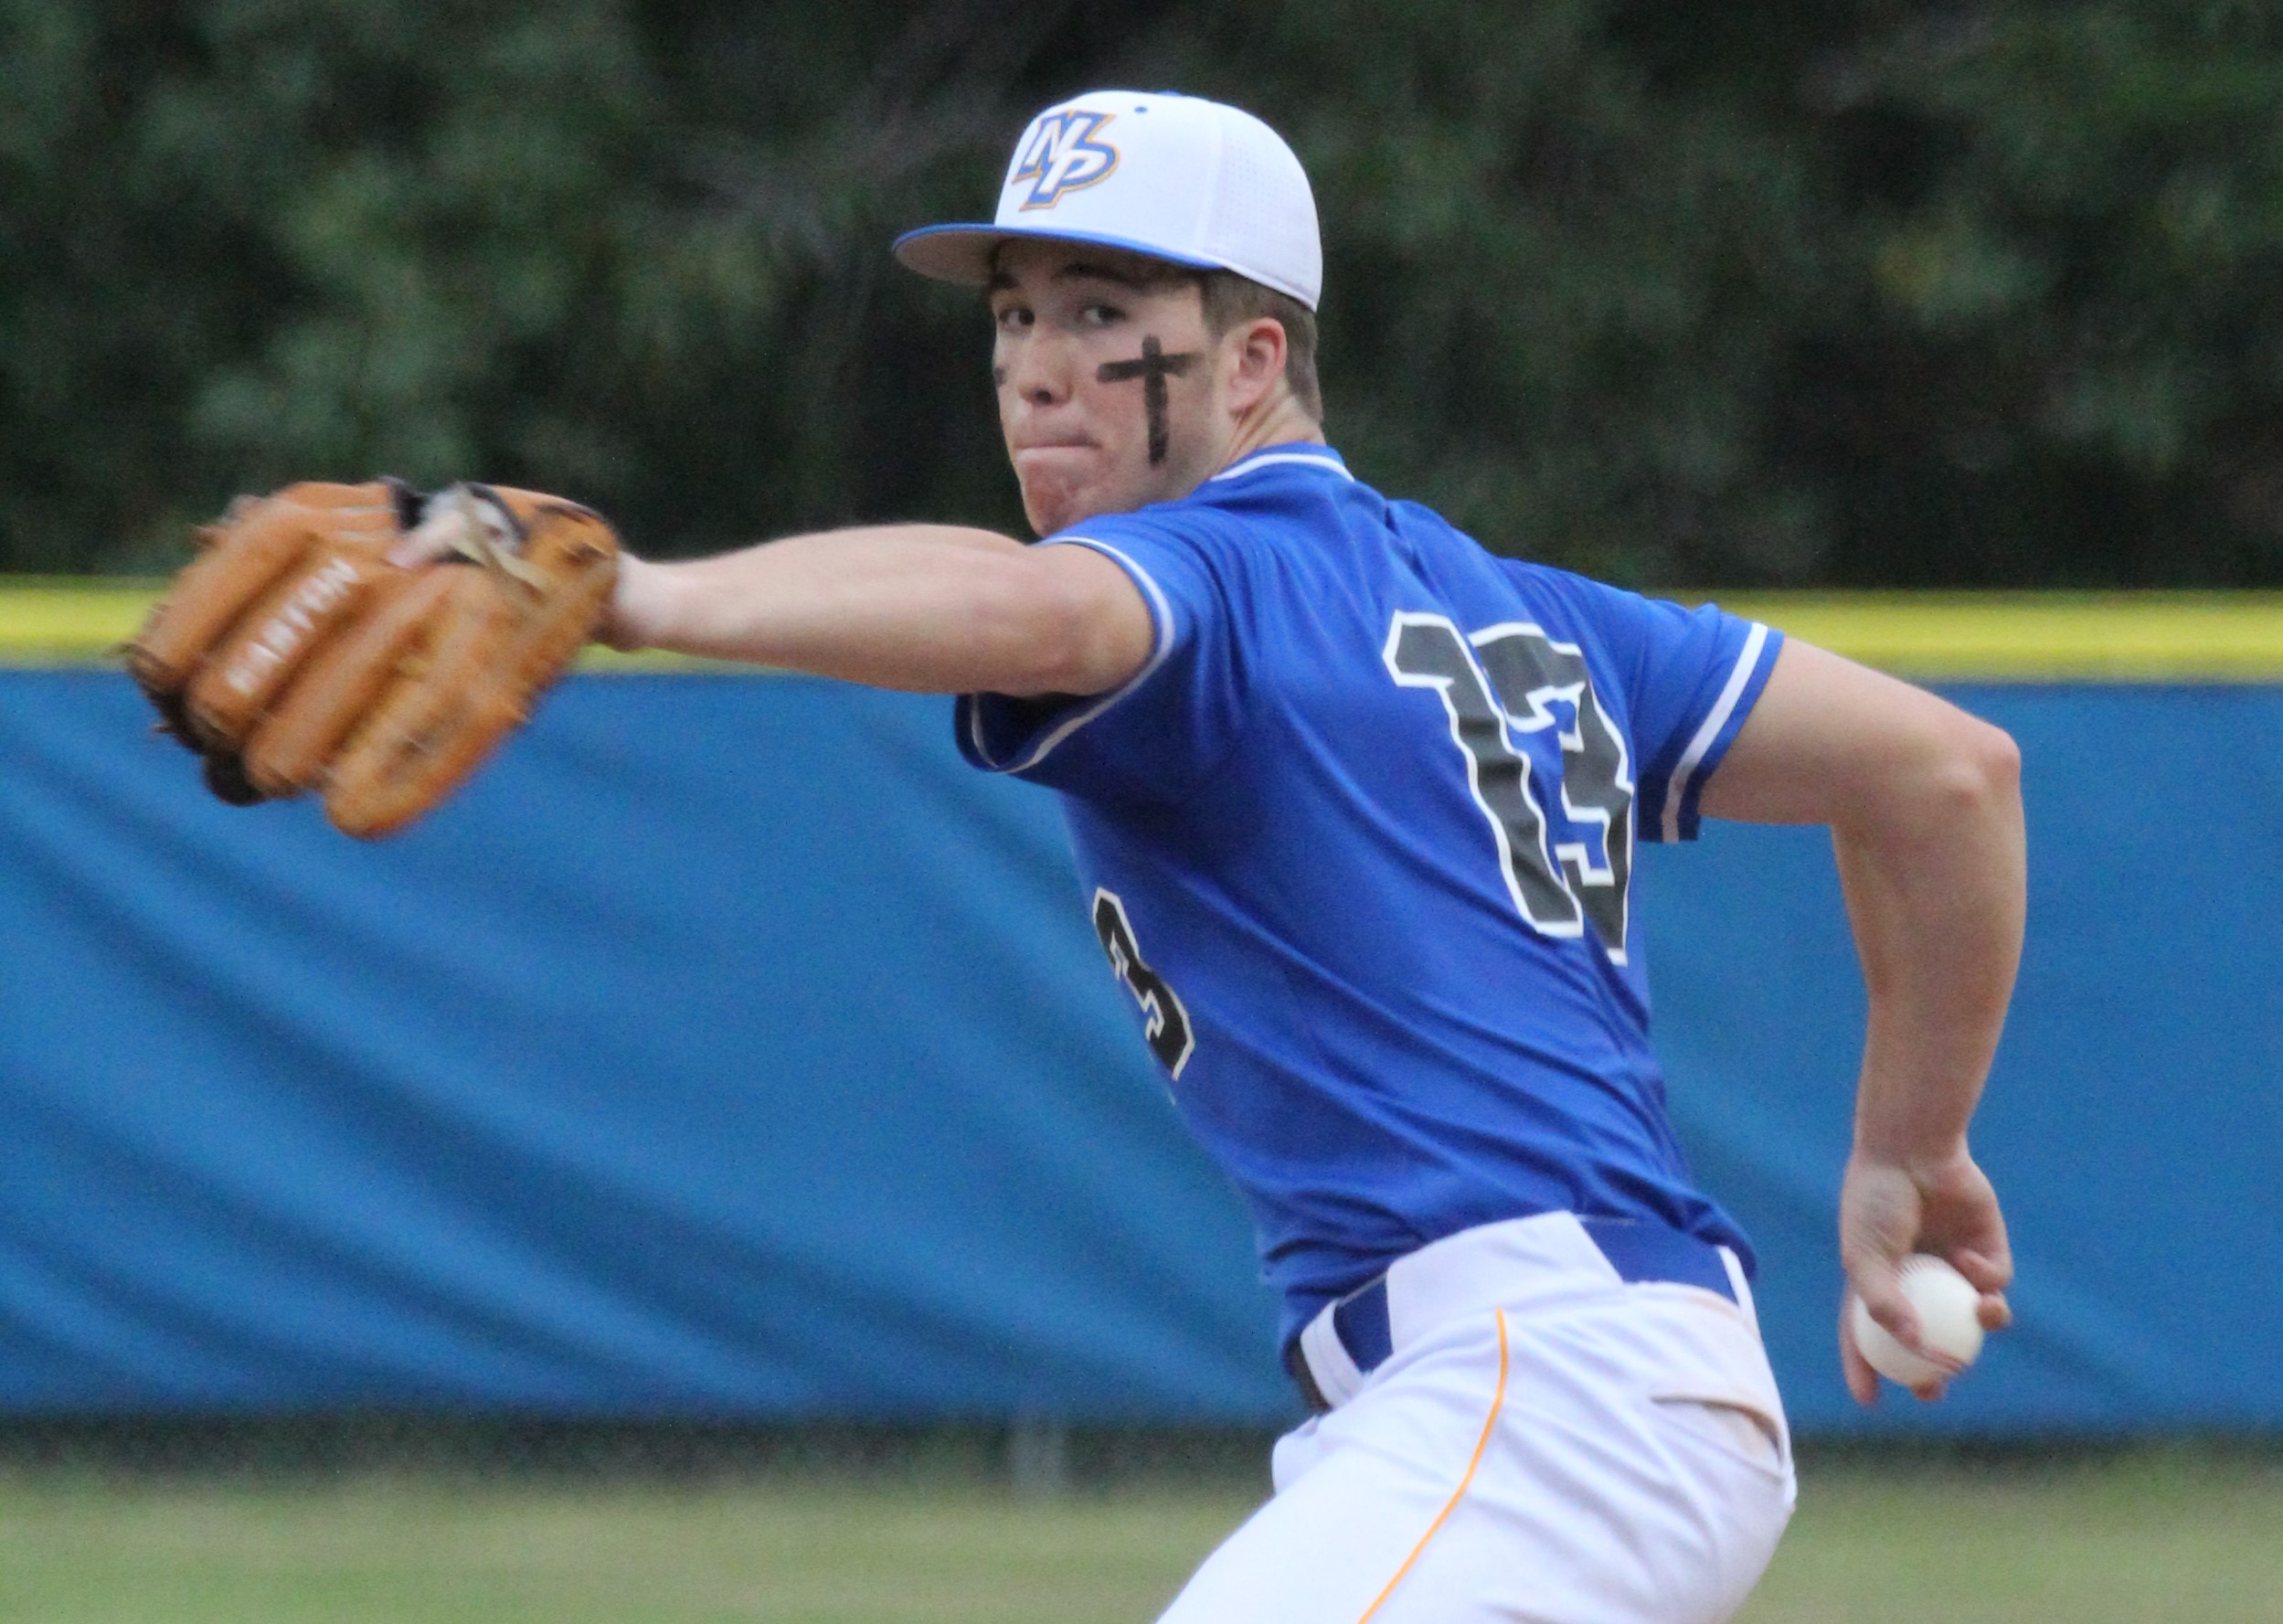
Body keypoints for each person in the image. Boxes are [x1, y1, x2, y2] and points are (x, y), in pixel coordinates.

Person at [599, 90, 2023, 1624]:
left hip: (1538, 1396)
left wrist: (638, 596)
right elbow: (1943, 775)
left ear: (1254, 359)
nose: (1031, 368)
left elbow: (1035, 611)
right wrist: (1910, 1148)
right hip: (1560, 1395)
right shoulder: (1530, 612)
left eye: (1100, 308)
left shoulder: (1220, 572)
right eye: (1011, 316)